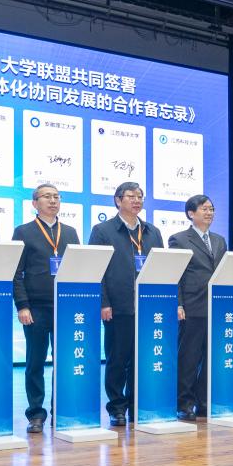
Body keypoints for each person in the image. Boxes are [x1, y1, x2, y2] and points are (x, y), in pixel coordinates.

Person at [88, 182, 164, 427]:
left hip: (147, 308)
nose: (137, 200)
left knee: (141, 359)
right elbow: (96, 270)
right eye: (131, 196)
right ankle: (117, 407)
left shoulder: (152, 232)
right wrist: (103, 302)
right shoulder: (103, 230)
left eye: (140, 196)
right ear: (118, 200)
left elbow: (161, 268)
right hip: (118, 306)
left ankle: (136, 404)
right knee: (117, 359)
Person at [11, 184, 80, 434]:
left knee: (65, 361)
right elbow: (15, 272)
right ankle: (36, 414)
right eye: (47, 197)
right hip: (36, 308)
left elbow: (78, 270)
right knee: (35, 362)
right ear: (34, 203)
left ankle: (61, 410)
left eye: (56, 197)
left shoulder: (70, 232)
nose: (53, 201)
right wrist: (22, 305)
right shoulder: (24, 232)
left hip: (65, 307)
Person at [169, 195, 226, 420]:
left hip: (216, 306)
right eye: (204, 209)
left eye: (211, 209)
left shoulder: (220, 240)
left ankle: (204, 402)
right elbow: (176, 275)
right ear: (191, 213)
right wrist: (178, 303)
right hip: (192, 306)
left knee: (211, 357)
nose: (210, 212)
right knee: (188, 358)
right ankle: (184, 403)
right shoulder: (179, 239)